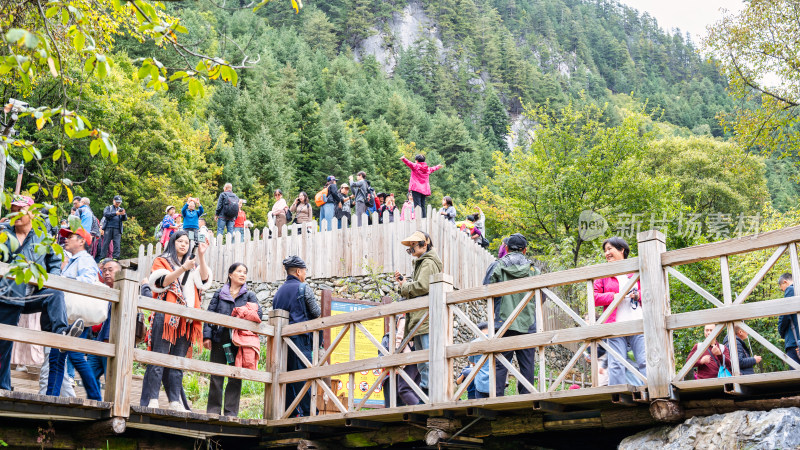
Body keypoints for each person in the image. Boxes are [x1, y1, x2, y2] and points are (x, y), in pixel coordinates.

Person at [0, 195, 83, 392]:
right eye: (12, 209)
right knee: (4, 345)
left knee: (54, 295)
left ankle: (61, 334)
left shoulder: (42, 237)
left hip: (31, 294)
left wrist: (48, 281)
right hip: (7, 295)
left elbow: (54, 264)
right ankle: (3, 386)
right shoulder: (3, 234)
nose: (16, 214)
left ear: (32, 213)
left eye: (20, 209)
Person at [141, 230, 212, 411]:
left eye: (186, 243)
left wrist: (201, 256)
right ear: (172, 242)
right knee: (159, 357)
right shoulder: (162, 261)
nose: (183, 245)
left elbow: (203, 280)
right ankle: (153, 399)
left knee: (178, 361)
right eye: (180, 241)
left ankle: (174, 401)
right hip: (165, 316)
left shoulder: (192, 265)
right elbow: (159, 283)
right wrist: (182, 269)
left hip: (186, 319)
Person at [43, 227, 103, 401]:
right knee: (61, 356)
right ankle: (52, 396)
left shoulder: (84, 259)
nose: (66, 240)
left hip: (75, 316)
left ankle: (53, 396)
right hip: (69, 315)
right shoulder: (73, 260)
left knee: (64, 356)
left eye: (70, 237)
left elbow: (87, 281)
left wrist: (63, 280)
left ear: (82, 241)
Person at [483, 233, 539, 396]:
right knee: (527, 364)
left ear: (506, 248)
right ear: (525, 250)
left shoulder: (497, 266)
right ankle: (526, 397)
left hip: (503, 321)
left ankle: (497, 396)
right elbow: (541, 295)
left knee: (501, 362)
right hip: (527, 322)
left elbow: (486, 290)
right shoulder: (533, 269)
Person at [204, 263, 262, 416]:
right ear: (230, 274)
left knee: (235, 376)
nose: (243, 274)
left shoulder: (250, 295)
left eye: (245, 272)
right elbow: (210, 315)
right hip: (219, 338)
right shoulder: (219, 293)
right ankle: (213, 411)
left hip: (239, 341)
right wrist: (207, 336)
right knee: (216, 374)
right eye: (239, 271)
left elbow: (258, 315)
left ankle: (230, 413)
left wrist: (241, 312)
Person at [394, 231, 443, 395]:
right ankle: (428, 392)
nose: (412, 249)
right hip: (421, 317)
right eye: (410, 248)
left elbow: (422, 286)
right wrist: (405, 284)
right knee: (423, 360)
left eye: (413, 245)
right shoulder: (423, 262)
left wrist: (405, 287)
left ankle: (432, 394)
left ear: (426, 242)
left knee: (427, 359)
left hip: (425, 317)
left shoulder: (428, 263)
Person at [594, 236, 646, 386]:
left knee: (644, 360)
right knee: (616, 363)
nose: (607, 253)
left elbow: (649, 291)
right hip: (615, 324)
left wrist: (638, 295)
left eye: (610, 249)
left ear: (622, 250)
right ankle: (618, 393)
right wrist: (615, 296)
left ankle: (651, 389)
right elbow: (594, 297)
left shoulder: (635, 270)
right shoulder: (603, 274)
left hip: (637, 321)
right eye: (605, 250)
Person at [272, 256, 320, 417]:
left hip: (282, 342)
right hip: (300, 339)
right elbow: (316, 312)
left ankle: (289, 414)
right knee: (303, 377)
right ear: (298, 271)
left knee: (285, 378)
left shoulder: (278, 293)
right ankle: (309, 413)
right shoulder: (303, 288)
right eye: (305, 271)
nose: (305, 274)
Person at [86, 258, 122, 386]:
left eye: (110, 270)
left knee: (111, 379)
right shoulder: (102, 290)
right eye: (104, 270)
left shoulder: (125, 291)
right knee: (88, 376)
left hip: (113, 343)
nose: (106, 273)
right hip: (97, 340)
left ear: (120, 272)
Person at [380, 314, 420, 407]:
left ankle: (420, 409)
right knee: (412, 392)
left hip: (394, 373)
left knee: (398, 397)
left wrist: (395, 356)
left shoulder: (389, 337)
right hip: (410, 367)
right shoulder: (413, 332)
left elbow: (382, 356)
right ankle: (420, 408)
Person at [401, 154, 442, 218]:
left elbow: (409, 163)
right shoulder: (427, 168)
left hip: (416, 188)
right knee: (422, 205)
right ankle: (423, 218)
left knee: (417, 205)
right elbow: (432, 169)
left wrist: (403, 159)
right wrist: (437, 166)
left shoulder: (416, 166)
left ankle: (418, 219)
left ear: (416, 160)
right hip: (424, 190)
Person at [778, 273, 800, 366]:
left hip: (794, 341)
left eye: (782, 288)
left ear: (785, 282)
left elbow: (785, 314)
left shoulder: (790, 289)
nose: (783, 290)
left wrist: (781, 331)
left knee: (796, 373)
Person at [98, 195, 126, 261]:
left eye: (119, 202)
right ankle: (102, 257)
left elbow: (125, 219)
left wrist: (123, 214)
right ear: (113, 201)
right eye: (117, 202)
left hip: (117, 229)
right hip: (108, 228)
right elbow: (106, 214)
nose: (118, 203)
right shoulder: (108, 208)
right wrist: (116, 213)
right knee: (105, 243)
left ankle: (116, 258)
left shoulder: (120, 209)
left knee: (117, 243)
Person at [469, 322, 492, 398]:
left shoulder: (474, 343)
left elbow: (471, 361)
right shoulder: (497, 341)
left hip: (480, 383)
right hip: (497, 383)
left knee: (480, 408)